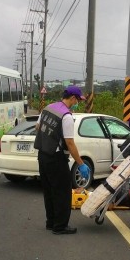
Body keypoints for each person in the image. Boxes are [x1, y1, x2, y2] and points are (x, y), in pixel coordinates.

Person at [34, 85, 91, 235]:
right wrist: (81, 164)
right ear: (72, 98)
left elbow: (37, 126)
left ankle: (51, 222)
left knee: (49, 190)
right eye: (78, 100)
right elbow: (70, 142)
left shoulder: (48, 108)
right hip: (56, 157)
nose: (78, 102)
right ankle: (60, 226)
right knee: (62, 192)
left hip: (43, 155)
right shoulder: (66, 116)